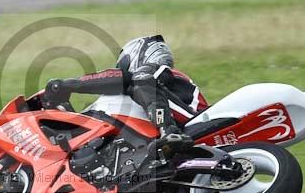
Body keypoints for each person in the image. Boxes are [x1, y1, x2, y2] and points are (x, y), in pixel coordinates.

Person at [42, 35, 207, 154]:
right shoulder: (166, 82)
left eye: (122, 64)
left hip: (192, 124)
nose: (119, 69)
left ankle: (168, 130)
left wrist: (66, 85)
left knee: (141, 79)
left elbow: (123, 78)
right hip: (187, 127)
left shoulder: (157, 74)